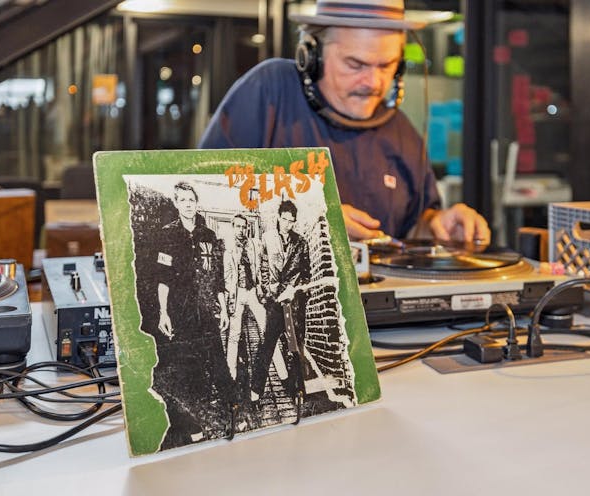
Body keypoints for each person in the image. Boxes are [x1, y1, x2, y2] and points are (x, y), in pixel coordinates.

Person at [199, 0, 491, 244]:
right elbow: (200, 193)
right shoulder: (269, 92)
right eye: (356, 64)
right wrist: (313, 215)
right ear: (310, 55)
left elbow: (414, 226)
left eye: (387, 65)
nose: (374, 83)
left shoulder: (400, 129)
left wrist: (439, 224)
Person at [153, 181, 235, 448]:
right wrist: (163, 312)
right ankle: (194, 426)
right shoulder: (167, 235)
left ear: (196, 203)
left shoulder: (208, 236)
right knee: (189, 368)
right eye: (183, 200)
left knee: (218, 363)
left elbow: (218, 277)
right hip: (181, 312)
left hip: (207, 310)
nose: (188, 204)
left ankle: (232, 415)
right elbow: (163, 278)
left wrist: (222, 307)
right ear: (176, 203)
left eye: (191, 200)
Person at [250, 200, 311, 402]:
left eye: (291, 221)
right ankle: (255, 391)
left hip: (293, 304)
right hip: (274, 303)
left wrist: (294, 290)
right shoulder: (267, 238)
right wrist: (270, 293)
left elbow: (306, 275)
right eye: (285, 220)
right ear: (278, 217)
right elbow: (262, 270)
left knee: (294, 348)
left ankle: (298, 391)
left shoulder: (301, 242)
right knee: (267, 346)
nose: (288, 224)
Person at [223, 214, 268, 387]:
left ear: (247, 228)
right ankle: (231, 377)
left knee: (267, 330)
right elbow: (227, 275)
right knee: (234, 336)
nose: (241, 230)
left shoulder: (255, 244)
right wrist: (230, 297)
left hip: (252, 292)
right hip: (237, 293)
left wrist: (261, 287)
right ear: (233, 227)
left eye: (244, 227)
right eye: (238, 226)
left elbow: (262, 266)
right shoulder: (228, 248)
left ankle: (279, 375)